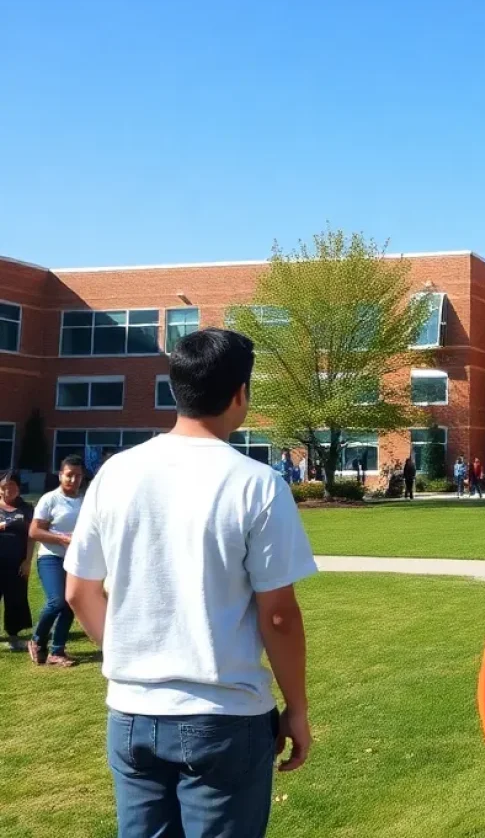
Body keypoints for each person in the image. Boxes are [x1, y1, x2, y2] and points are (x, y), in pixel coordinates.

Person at [65, 327, 318, 838]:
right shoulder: (256, 483)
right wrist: (298, 708)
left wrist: (131, 660)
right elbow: (277, 614)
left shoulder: (116, 472)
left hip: (132, 711)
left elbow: (79, 590)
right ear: (240, 394)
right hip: (223, 716)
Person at [27, 454, 85, 667]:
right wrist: (61, 538)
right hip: (50, 557)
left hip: (76, 559)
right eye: (69, 475)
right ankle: (36, 640)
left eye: (78, 476)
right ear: (61, 475)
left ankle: (57, 651)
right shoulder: (50, 499)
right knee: (57, 600)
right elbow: (34, 531)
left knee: (71, 602)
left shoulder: (85, 501)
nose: (73, 480)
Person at [0, 471, 35, 652]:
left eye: (12, 485)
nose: (8, 490)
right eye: (4, 486)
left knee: (15, 599)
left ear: (18, 488)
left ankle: (13, 637)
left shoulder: (26, 508)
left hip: (17, 563)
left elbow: (31, 537)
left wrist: (28, 561)